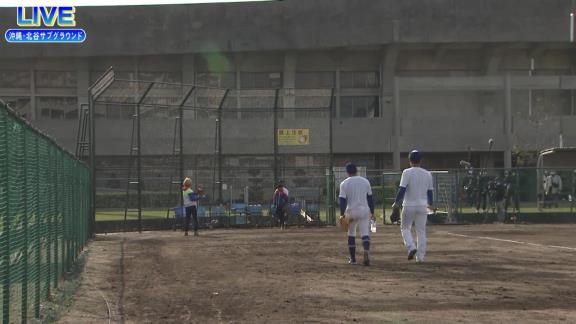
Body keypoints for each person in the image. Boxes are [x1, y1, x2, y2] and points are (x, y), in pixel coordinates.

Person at [392, 150, 433, 263]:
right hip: (423, 205)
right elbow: (430, 193)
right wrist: (431, 204)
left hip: (409, 205)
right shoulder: (428, 174)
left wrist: (396, 203)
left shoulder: (407, 172)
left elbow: (402, 189)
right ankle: (420, 258)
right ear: (421, 160)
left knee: (405, 228)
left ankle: (411, 247)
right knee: (421, 231)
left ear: (410, 161)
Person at [339, 163, 375, 266]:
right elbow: (370, 198)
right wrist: (372, 212)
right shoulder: (365, 181)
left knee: (351, 234)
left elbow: (342, 200)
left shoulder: (344, 183)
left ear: (347, 172)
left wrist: (342, 214)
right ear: (357, 171)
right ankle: (366, 251)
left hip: (351, 211)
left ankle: (353, 259)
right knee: (365, 233)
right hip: (364, 210)